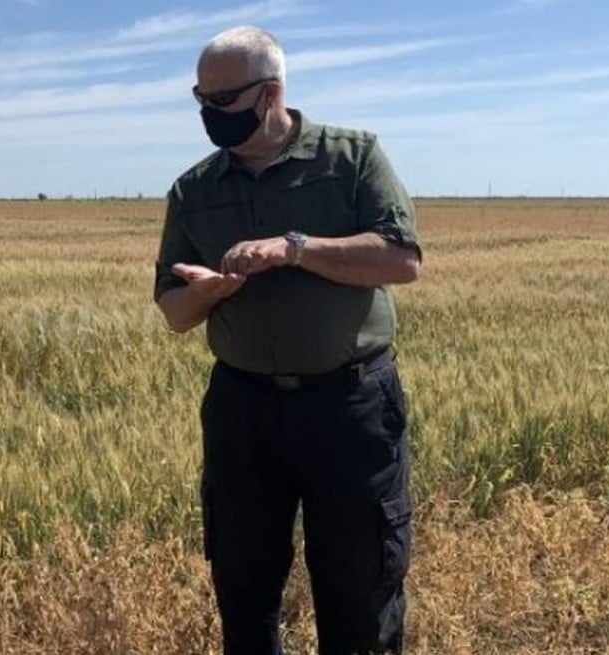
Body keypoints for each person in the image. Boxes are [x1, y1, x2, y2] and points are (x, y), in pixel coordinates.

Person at [153, 26, 422, 655]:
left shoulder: (351, 159)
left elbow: (401, 259)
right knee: (243, 587)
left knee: (361, 588)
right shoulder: (193, 190)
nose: (209, 113)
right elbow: (174, 311)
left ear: (270, 93)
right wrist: (210, 292)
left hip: (350, 408)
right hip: (243, 410)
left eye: (223, 100)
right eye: (201, 99)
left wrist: (293, 248)